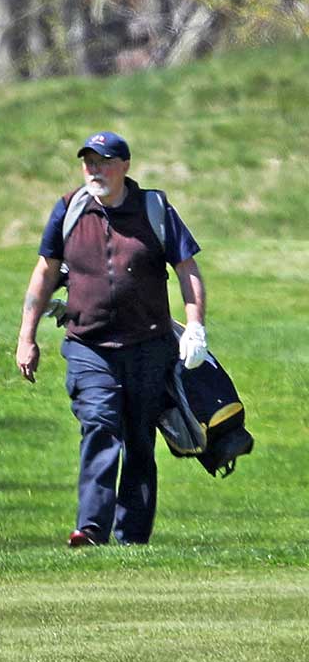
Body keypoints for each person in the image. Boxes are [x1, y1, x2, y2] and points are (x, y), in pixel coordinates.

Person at [15, 130, 205, 547]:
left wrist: (195, 327)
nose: (94, 169)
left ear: (125, 166)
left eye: (102, 161)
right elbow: (45, 271)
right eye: (88, 162)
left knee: (140, 438)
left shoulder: (154, 209)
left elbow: (187, 269)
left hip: (149, 346)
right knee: (99, 424)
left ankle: (133, 536)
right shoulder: (69, 210)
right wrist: (26, 336)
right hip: (89, 345)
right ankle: (92, 527)